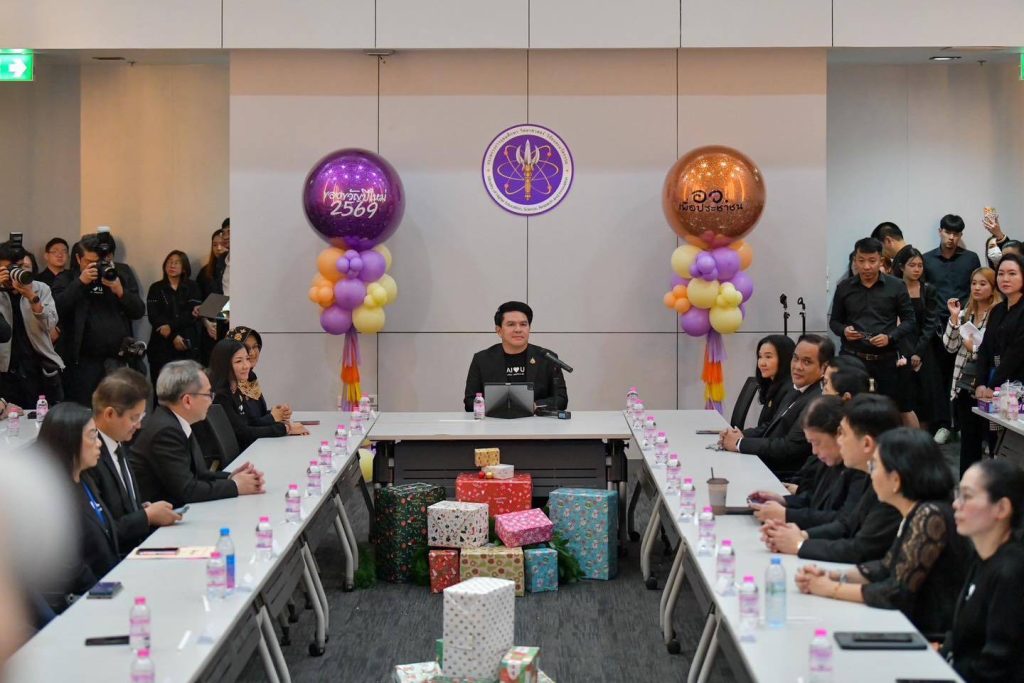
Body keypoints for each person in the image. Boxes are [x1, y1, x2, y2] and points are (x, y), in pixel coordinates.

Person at [794, 428, 968, 638]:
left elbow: (896, 592)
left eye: (874, 466)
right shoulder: (918, 511)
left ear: (895, 480)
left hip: (927, 635)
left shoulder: (930, 516)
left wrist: (830, 588)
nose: (871, 473)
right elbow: (887, 567)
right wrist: (834, 575)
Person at [761, 394, 903, 563]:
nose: (839, 440)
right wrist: (800, 535)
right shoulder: (871, 474)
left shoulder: (891, 484)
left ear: (867, 443)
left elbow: (862, 549)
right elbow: (848, 525)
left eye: (843, 433)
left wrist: (800, 544)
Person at [129, 360, 264, 506]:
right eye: (208, 394)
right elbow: (187, 490)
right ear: (187, 400)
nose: (211, 401)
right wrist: (235, 486)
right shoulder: (166, 431)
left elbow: (200, 475)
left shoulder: (176, 421)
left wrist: (232, 477)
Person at [940, 459, 1024, 682]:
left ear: (1002, 508)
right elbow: (959, 638)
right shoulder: (981, 557)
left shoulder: (1011, 572)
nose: (956, 504)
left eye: (967, 496)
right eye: (958, 494)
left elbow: (997, 665)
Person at [36, 403, 118, 611]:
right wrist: (110, 593)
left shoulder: (85, 479)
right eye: (92, 436)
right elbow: (70, 567)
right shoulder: (53, 497)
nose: (99, 443)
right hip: (82, 603)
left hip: (108, 584)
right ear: (69, 441)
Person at [90, 369, 180, 555]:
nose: (138, 425)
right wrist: (146, 517)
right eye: (134, 418)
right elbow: (101, 532)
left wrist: (141, 510)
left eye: (141, 417)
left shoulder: (119, 443)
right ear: (109, 414)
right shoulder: (90, 457)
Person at [829, 237, 918, 425]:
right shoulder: (844, 287)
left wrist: (890, 337)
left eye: (872, 261)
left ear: (881, 261)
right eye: (861, 261)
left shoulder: (896, 286)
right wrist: (844, 331)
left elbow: (910, 321)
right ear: (855, 261)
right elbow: (834, 322)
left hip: (885, 359)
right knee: (850, 410)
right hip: (853, 359)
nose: (866, 267)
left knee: (889, 412)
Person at [748, 395, 869, 529]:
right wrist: (783, 500)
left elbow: (843, 521)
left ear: (838, 435)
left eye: (817, 443)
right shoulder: (829, 461)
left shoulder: (859, 468)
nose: (814, 451)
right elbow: (814, 500)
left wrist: (788, 517)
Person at [51, 232, 145, 404]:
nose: (94, 266)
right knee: (84, 410)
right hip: (81, 363)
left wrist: (120, 291)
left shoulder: (116, 276)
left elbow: (138, 311)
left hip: (115, 360)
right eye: (89, 262)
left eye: (98, 262)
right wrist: (80, 282)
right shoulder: (66, 279)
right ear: (78, 259)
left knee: (117, 408)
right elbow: (56, 309)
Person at [719, 334, 831, 477]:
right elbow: (771, 426)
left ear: (824, 368)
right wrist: (739, 436)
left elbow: (790, 447)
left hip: (782, 474)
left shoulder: (817, 401)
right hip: (765, 464)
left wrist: (739, 444)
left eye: (807, 362)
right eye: (795, 358)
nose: (797, 366)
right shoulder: (796, 389)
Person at [922, 215, 981, 443]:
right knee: (939, 377)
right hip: (938, 327)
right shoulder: (927, 259)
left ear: (961, 235)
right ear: (940, 232)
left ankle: (964, 424)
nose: (951, 238)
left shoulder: (971, 258)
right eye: (948, 232)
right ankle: (944, 425)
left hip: (966, 325)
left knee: (966, 376)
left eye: (956, 234)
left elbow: (977, 288)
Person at [463, 301, 568, 412]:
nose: (518, 329)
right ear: (499, 330)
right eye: (511, 324)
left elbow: (561, 399)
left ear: (529, 328)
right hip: (495, 421)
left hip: (535, 421)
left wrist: (533, 406)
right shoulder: (482, 359)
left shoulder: (547, 358)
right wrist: (500, 407)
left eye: (523, 324)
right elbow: (470, 402)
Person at [944, 267, 1001, 475]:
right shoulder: (965, 313)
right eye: (974, 283)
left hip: (988, 385)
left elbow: (998, 352)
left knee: (992, 440)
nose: (976, 288)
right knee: (968, 441)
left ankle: (993, 485)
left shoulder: (997, 314)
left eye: (983, 284)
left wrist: (974, 349)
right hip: (964, 383)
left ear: (993, 288)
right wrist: (954, 319)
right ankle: (967, 483)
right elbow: (949, 346)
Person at [207, 338, 307, 452]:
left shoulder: (236, 390)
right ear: (224, 364)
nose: (246, 365)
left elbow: (250, 422)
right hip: (239, 457)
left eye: (247, 359)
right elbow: (243, 433)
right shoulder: (221, 396)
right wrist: (285, 428)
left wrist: (279, 417)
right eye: (238, 361)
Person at [0, 242, 64, 405]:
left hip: (36, 368)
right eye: (9, 268)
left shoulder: (41, 288)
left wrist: (32, 297)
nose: (16, 272)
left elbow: (50, 325)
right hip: (5, 370)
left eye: (20, 266)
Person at [146, 250, 202, 385]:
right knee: (162, 387)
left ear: (184, 268)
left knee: (187, 386)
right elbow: (154, 317)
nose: (172, 265)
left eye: (177, 263)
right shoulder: (156, 288)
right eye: (169, 262)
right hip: (161, 346)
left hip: (186, 344)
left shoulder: (192, 287)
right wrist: (173, 336)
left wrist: (170, 327)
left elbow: (193, 314)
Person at [902, 249, 943, 430]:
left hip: (924, 347)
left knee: (925, 395)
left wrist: (918, 352)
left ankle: (923, 438)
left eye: (920, 265)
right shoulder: (894, 288)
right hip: (900, 347)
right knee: (904, 395)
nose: (917, 269)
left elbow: (930, 322)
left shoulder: (928, 289)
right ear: (902, 267)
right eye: (912, 265)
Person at [975, 253, 1024, 401]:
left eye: (1012, 273)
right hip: (996, 380)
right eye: (1001, 274)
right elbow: (985, 347)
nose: (1005, 279)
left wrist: (993, 385)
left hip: (1018, 382)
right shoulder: (997, 309)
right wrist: (980, 382)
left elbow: (1016, 352)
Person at [225, 326, 294, 424]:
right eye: (246, 348)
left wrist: (278, 413)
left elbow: (256, 417)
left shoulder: (251, 377)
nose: (252, 353)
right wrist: (274, 419)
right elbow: (243, 428)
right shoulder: (229, 383)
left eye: (255, 346)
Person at [197, 227, 229, 365]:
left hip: (228, 326)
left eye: (222, 244)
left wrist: (221, 316)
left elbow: (231, 298)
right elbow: (198, 302)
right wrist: (206, 322)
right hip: (208, 329)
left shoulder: (233, 268)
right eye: (215, 245)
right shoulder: (205, 272)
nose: (219, 248)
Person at [751, 335, 796, 429]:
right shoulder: (772, 384)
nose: (762, 363)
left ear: (785, 359)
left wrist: (741, 435)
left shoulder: (790, 389)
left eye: (768, 357)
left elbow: (773, 428)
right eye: (760, 356)